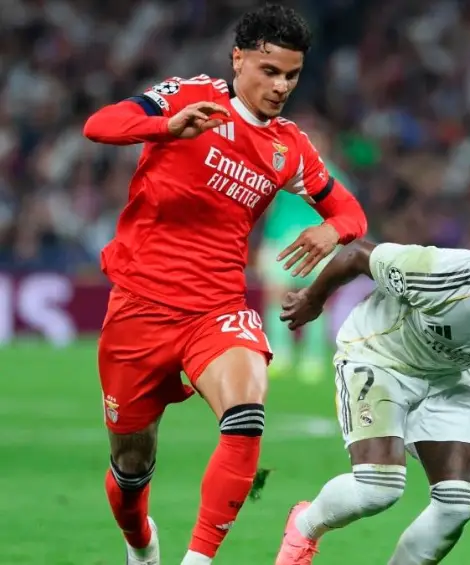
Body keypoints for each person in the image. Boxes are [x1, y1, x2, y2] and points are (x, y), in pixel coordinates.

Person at [82, 5, 367, 565]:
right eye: (270, 70)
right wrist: (165, 127)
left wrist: (332, 230)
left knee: (246, 416)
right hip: (139, 307)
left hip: (216, 310)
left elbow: (350, 211)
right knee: (131, 469)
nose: (281, 86)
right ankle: (141, 544)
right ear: (239, 59)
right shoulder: (188, 97)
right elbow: (100, 125)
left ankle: (199, 560)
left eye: (291, 75)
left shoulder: (289, 147)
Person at [274, 200, 470, 565]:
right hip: (380, 354)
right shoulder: (438, 273)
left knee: (457, 505)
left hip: (449, 376)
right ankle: (304, 526)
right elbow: (357, 255)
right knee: (379, 488)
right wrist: (313, 299)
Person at [257, 126, 357, 384]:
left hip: (318, 242)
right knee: (276, 295)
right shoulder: (282, 169)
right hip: (282, 239)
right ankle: (279, 352)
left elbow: (344, 213)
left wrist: (334, 241)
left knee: (315, 297)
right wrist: (266, 241)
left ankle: (313, 356)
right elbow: (268, 207)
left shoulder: (333, 175)